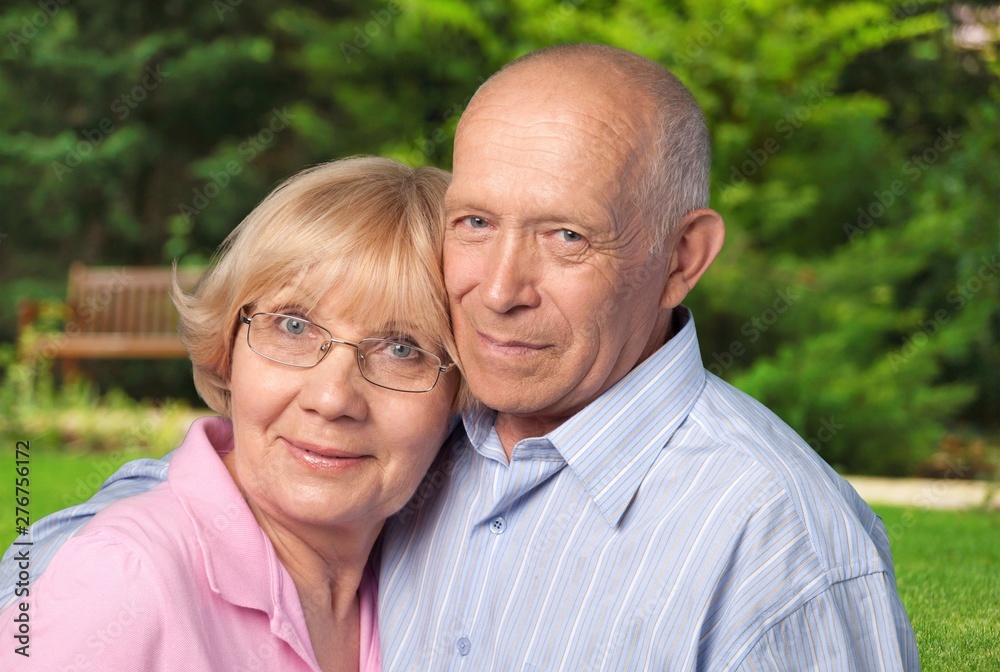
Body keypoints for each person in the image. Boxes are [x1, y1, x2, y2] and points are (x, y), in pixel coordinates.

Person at [2, 44, 920, 670]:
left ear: (683, 259)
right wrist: (68, 575)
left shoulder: (778, 542)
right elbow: (223, 489)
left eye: (566, 235)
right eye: (476, 222)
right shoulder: (451, 430)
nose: (501, 287)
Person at [0, 157, 461, 671]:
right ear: (227, 348)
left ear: (461, 394)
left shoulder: (425, 591)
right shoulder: (122, 580)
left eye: (401, 349)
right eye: (293, 325)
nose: (332, 399)